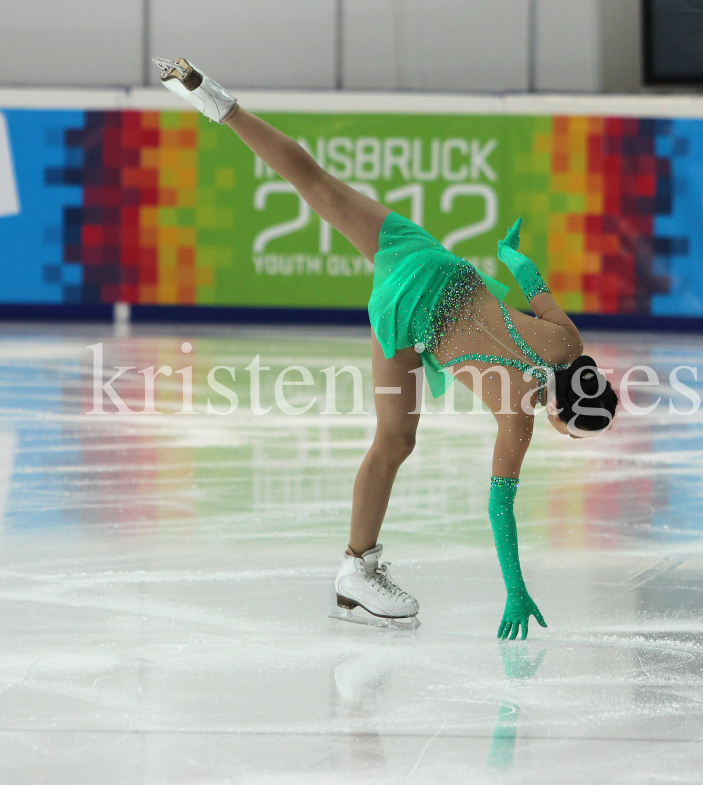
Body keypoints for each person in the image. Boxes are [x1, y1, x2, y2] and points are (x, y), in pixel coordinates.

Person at [153, 59, 619, 639]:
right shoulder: (517, 417)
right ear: (561, 412)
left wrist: (509, 248)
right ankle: (356, 571)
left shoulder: (568, 340)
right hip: (404, 316)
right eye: (573, 432)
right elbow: (501, 512)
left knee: (316, 184)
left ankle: (220, 103)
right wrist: (517, 590)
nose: (564, 436)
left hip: (429, 260)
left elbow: (531, 279)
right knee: (394, 441)